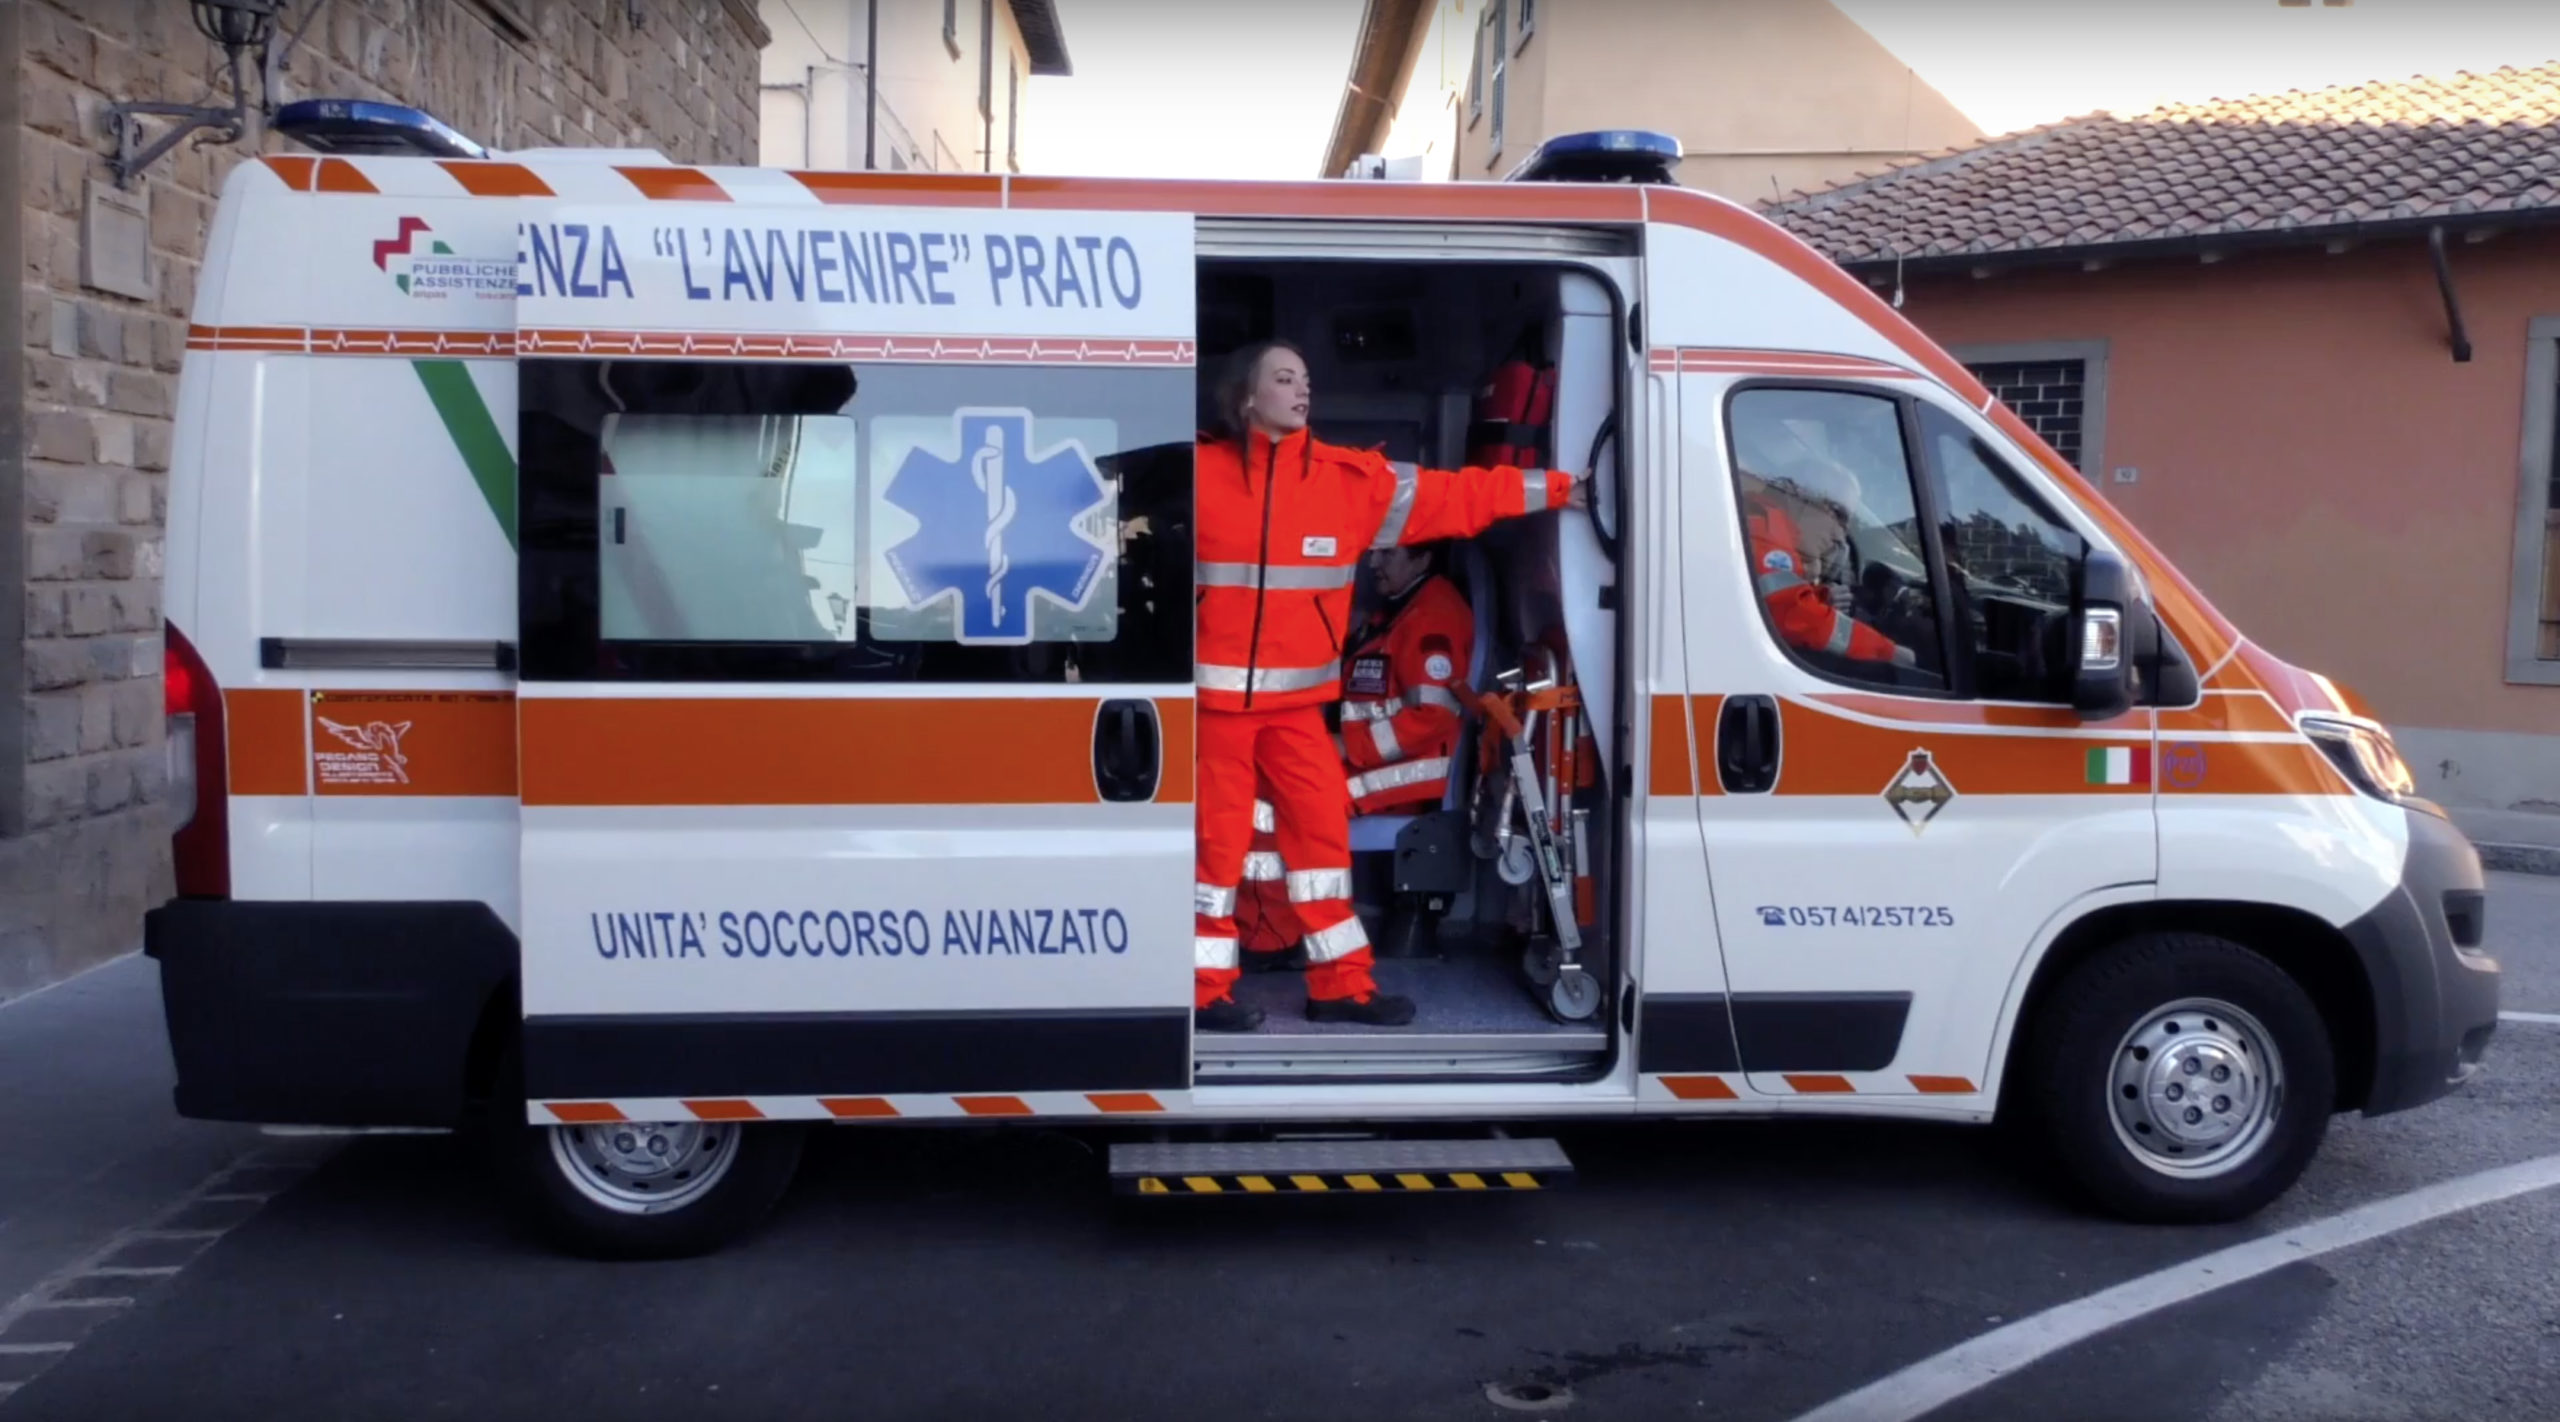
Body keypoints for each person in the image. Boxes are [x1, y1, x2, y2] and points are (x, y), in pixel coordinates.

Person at [1194, 340, 1579, 1032]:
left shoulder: (1350, 483)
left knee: (1320, 848)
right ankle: (1204, 991)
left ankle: (1340, 986)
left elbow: (1458, 494)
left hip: (1297, 716)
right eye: (1284, 379)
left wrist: (1557, 488)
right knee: (1216, 855)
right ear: (1246, 398)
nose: (1302, 390)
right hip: (1216, 712)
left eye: (1306, 379)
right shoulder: (1197, 474)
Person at [1234, 541, 1476, 970]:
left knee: (1273, 806)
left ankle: (1273, 939)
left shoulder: (1433, 617)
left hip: (1411, 774)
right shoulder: (1401, 608)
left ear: (1423, 558)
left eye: (1387, 554)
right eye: (1374, 553)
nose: (1373, 563)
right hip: (1380, 761)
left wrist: (1349, 746)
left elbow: (1433, 717)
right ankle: (1271, 929)